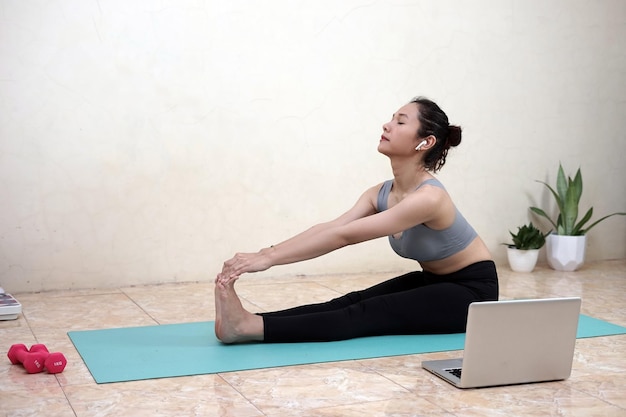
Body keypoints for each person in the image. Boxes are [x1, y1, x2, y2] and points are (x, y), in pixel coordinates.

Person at [214, 96, 498, 344]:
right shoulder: (381, 193)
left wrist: (267, 260)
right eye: (390, 120)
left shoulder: (429, 199)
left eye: (400, 122)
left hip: (471, 294)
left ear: (425, 142)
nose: (386, 126)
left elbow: (345, 236)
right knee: (352, 301)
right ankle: (247, 321)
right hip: (434, 281)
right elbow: (332, 228)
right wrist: (267, 253)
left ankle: (247, 328)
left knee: (367, 314)